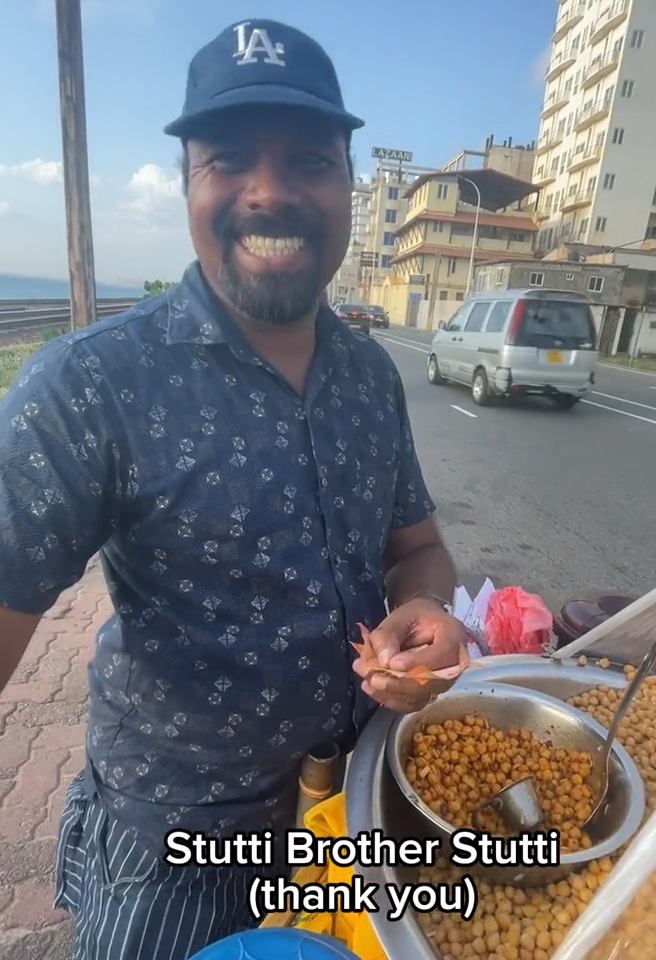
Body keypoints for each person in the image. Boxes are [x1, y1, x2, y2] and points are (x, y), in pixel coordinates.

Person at [0, 19, 466, 960]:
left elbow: (415, 549)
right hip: (177, 848)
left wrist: (427, 610)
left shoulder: (373, 377)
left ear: (345, 184)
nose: (269, 191)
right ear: (187, 186)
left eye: (307, 159)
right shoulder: (91, 386)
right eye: (227, 160)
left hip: (357, 808)